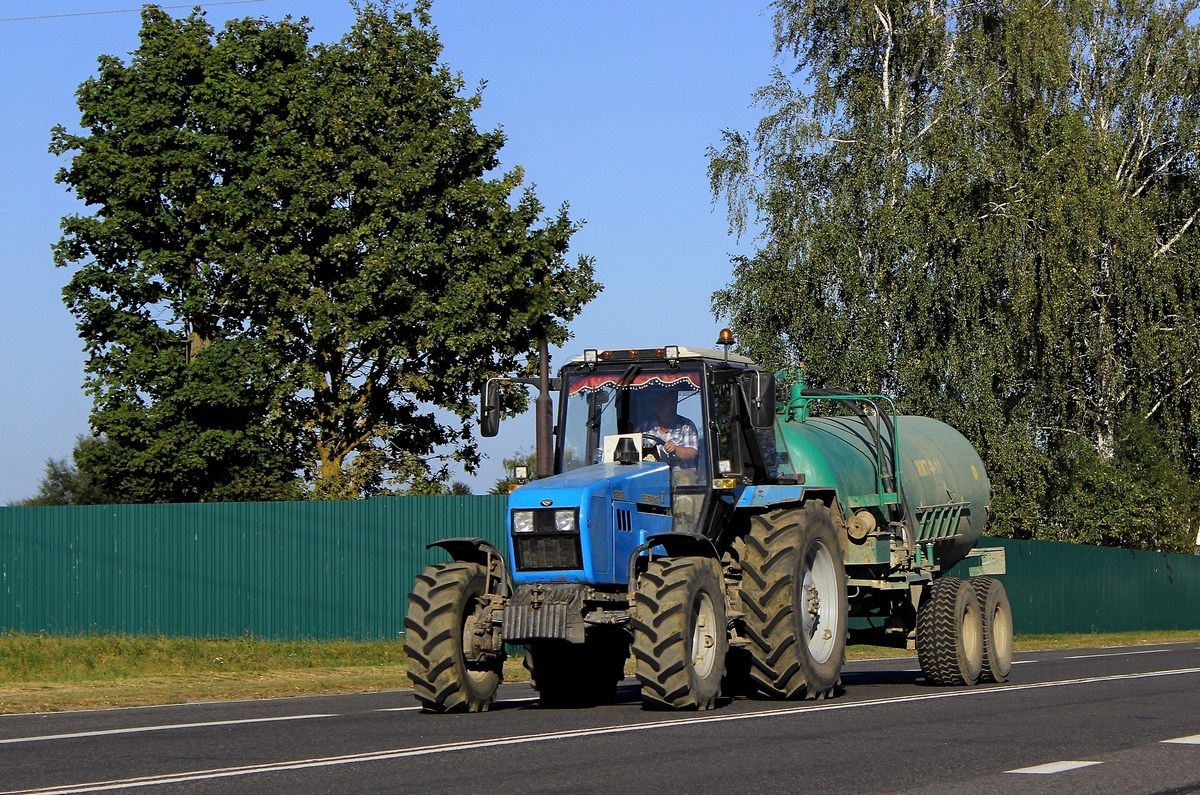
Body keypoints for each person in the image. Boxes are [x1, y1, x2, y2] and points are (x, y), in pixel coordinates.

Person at [637, 387, 699, 467]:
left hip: (681, 470)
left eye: (664, 403)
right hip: (650, 471)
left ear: (672, 404)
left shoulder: (686, 426)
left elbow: (691, 453)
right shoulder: (644, 427)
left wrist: (675, 449)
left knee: (684, 479)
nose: (660, 406)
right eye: (658, 402)